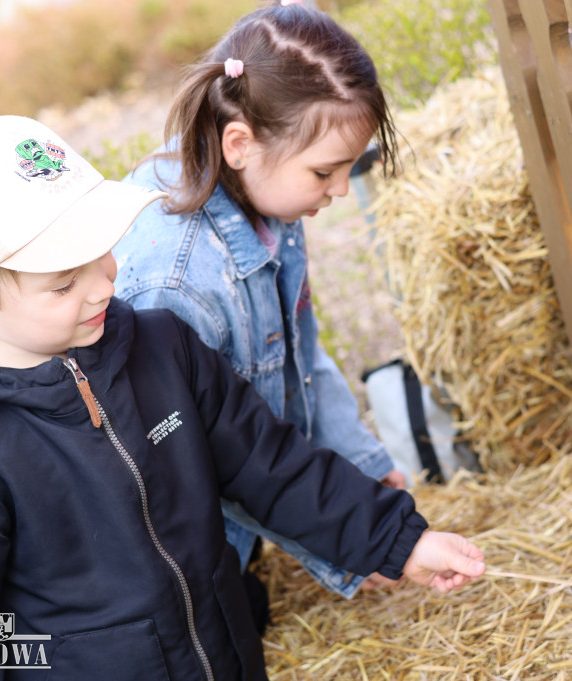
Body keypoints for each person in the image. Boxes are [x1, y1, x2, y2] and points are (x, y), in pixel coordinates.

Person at [0, 115, 486, 680]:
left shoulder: (159, 345)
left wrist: (399, 543)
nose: (103, 285)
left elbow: (272, 467)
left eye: (102, 253)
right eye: (64, 281)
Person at [113, 0, 406, 602]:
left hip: (256, 509)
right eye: (326, 173)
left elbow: (302, 358)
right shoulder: (174, 285)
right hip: (185, 559)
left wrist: (364, 471)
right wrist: (349, 537)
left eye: (349, 169)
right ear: (241, 141)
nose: (340, 192)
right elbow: (202, 464)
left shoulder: (262, 191)